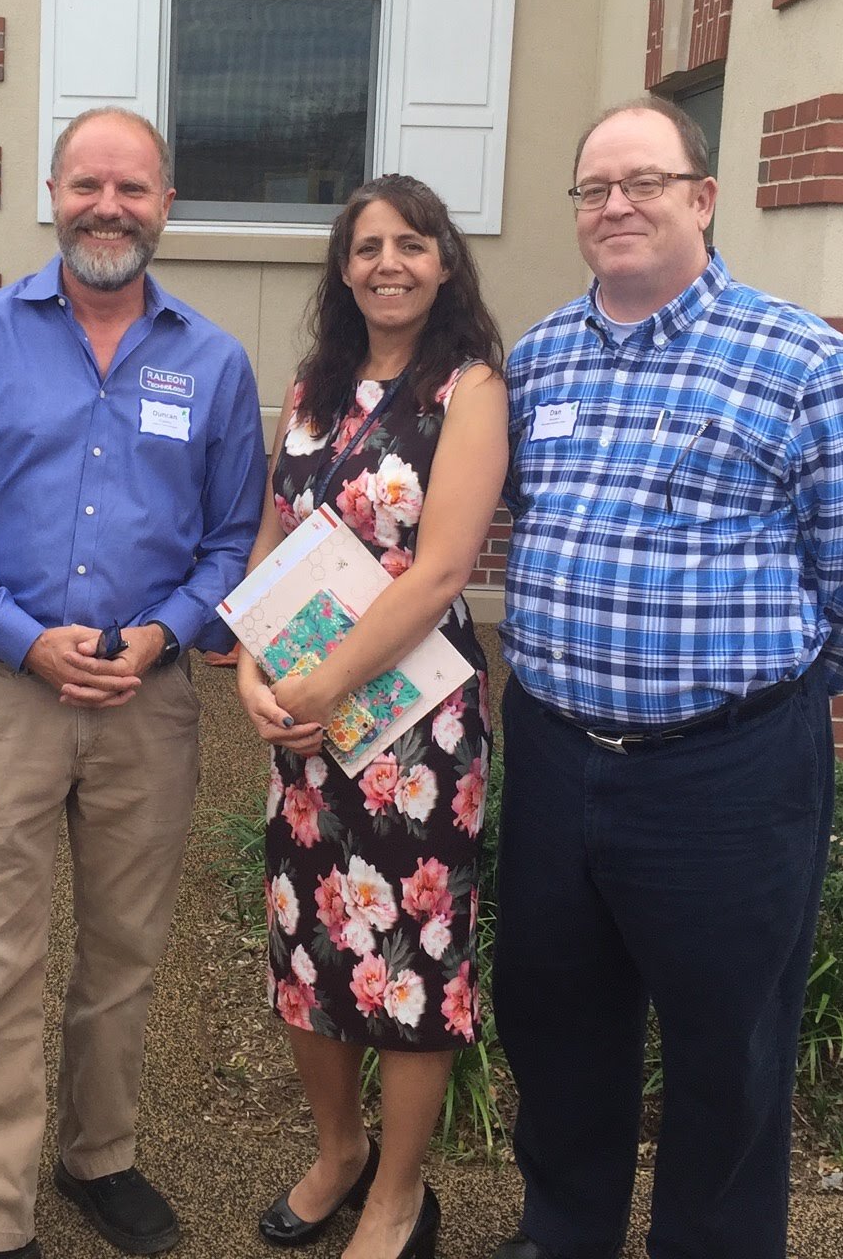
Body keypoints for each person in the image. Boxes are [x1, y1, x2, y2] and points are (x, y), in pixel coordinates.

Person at [487, 99, 843, 1259]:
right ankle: (562, 1231)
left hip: (724, 777)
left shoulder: (801, 362)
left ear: (701, 198)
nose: (615, 205)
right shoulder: (534, 362)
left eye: (644, 182)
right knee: (555, 1021)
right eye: (593, 189)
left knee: (727, 1044)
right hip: (556, 756)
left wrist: (758, 703)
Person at [0, 107, 266, 1259]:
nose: (109, 207)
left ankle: (100, 1154)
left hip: (145, 700)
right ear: (51, 193)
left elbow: (229, 534)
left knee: (124, 948)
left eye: (134, 189)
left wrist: (162, 634)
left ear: (165, 204)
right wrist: (15, 636)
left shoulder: (212, 360)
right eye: (88, 185)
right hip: (10, 694)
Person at [238, 174, 509, 1259]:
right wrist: (255, 678)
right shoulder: (314, 385)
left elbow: (439, 568)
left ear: (444, 260)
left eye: (409, 243)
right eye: (365, 247)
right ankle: (337, 1152)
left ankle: (396, 1194)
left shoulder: (469, 389)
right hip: (305, 729)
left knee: (407, 958)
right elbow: (271, 541)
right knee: (310, 945)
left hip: (418, 734)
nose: (386, 263)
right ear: (341, 269)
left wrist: (319, 684)